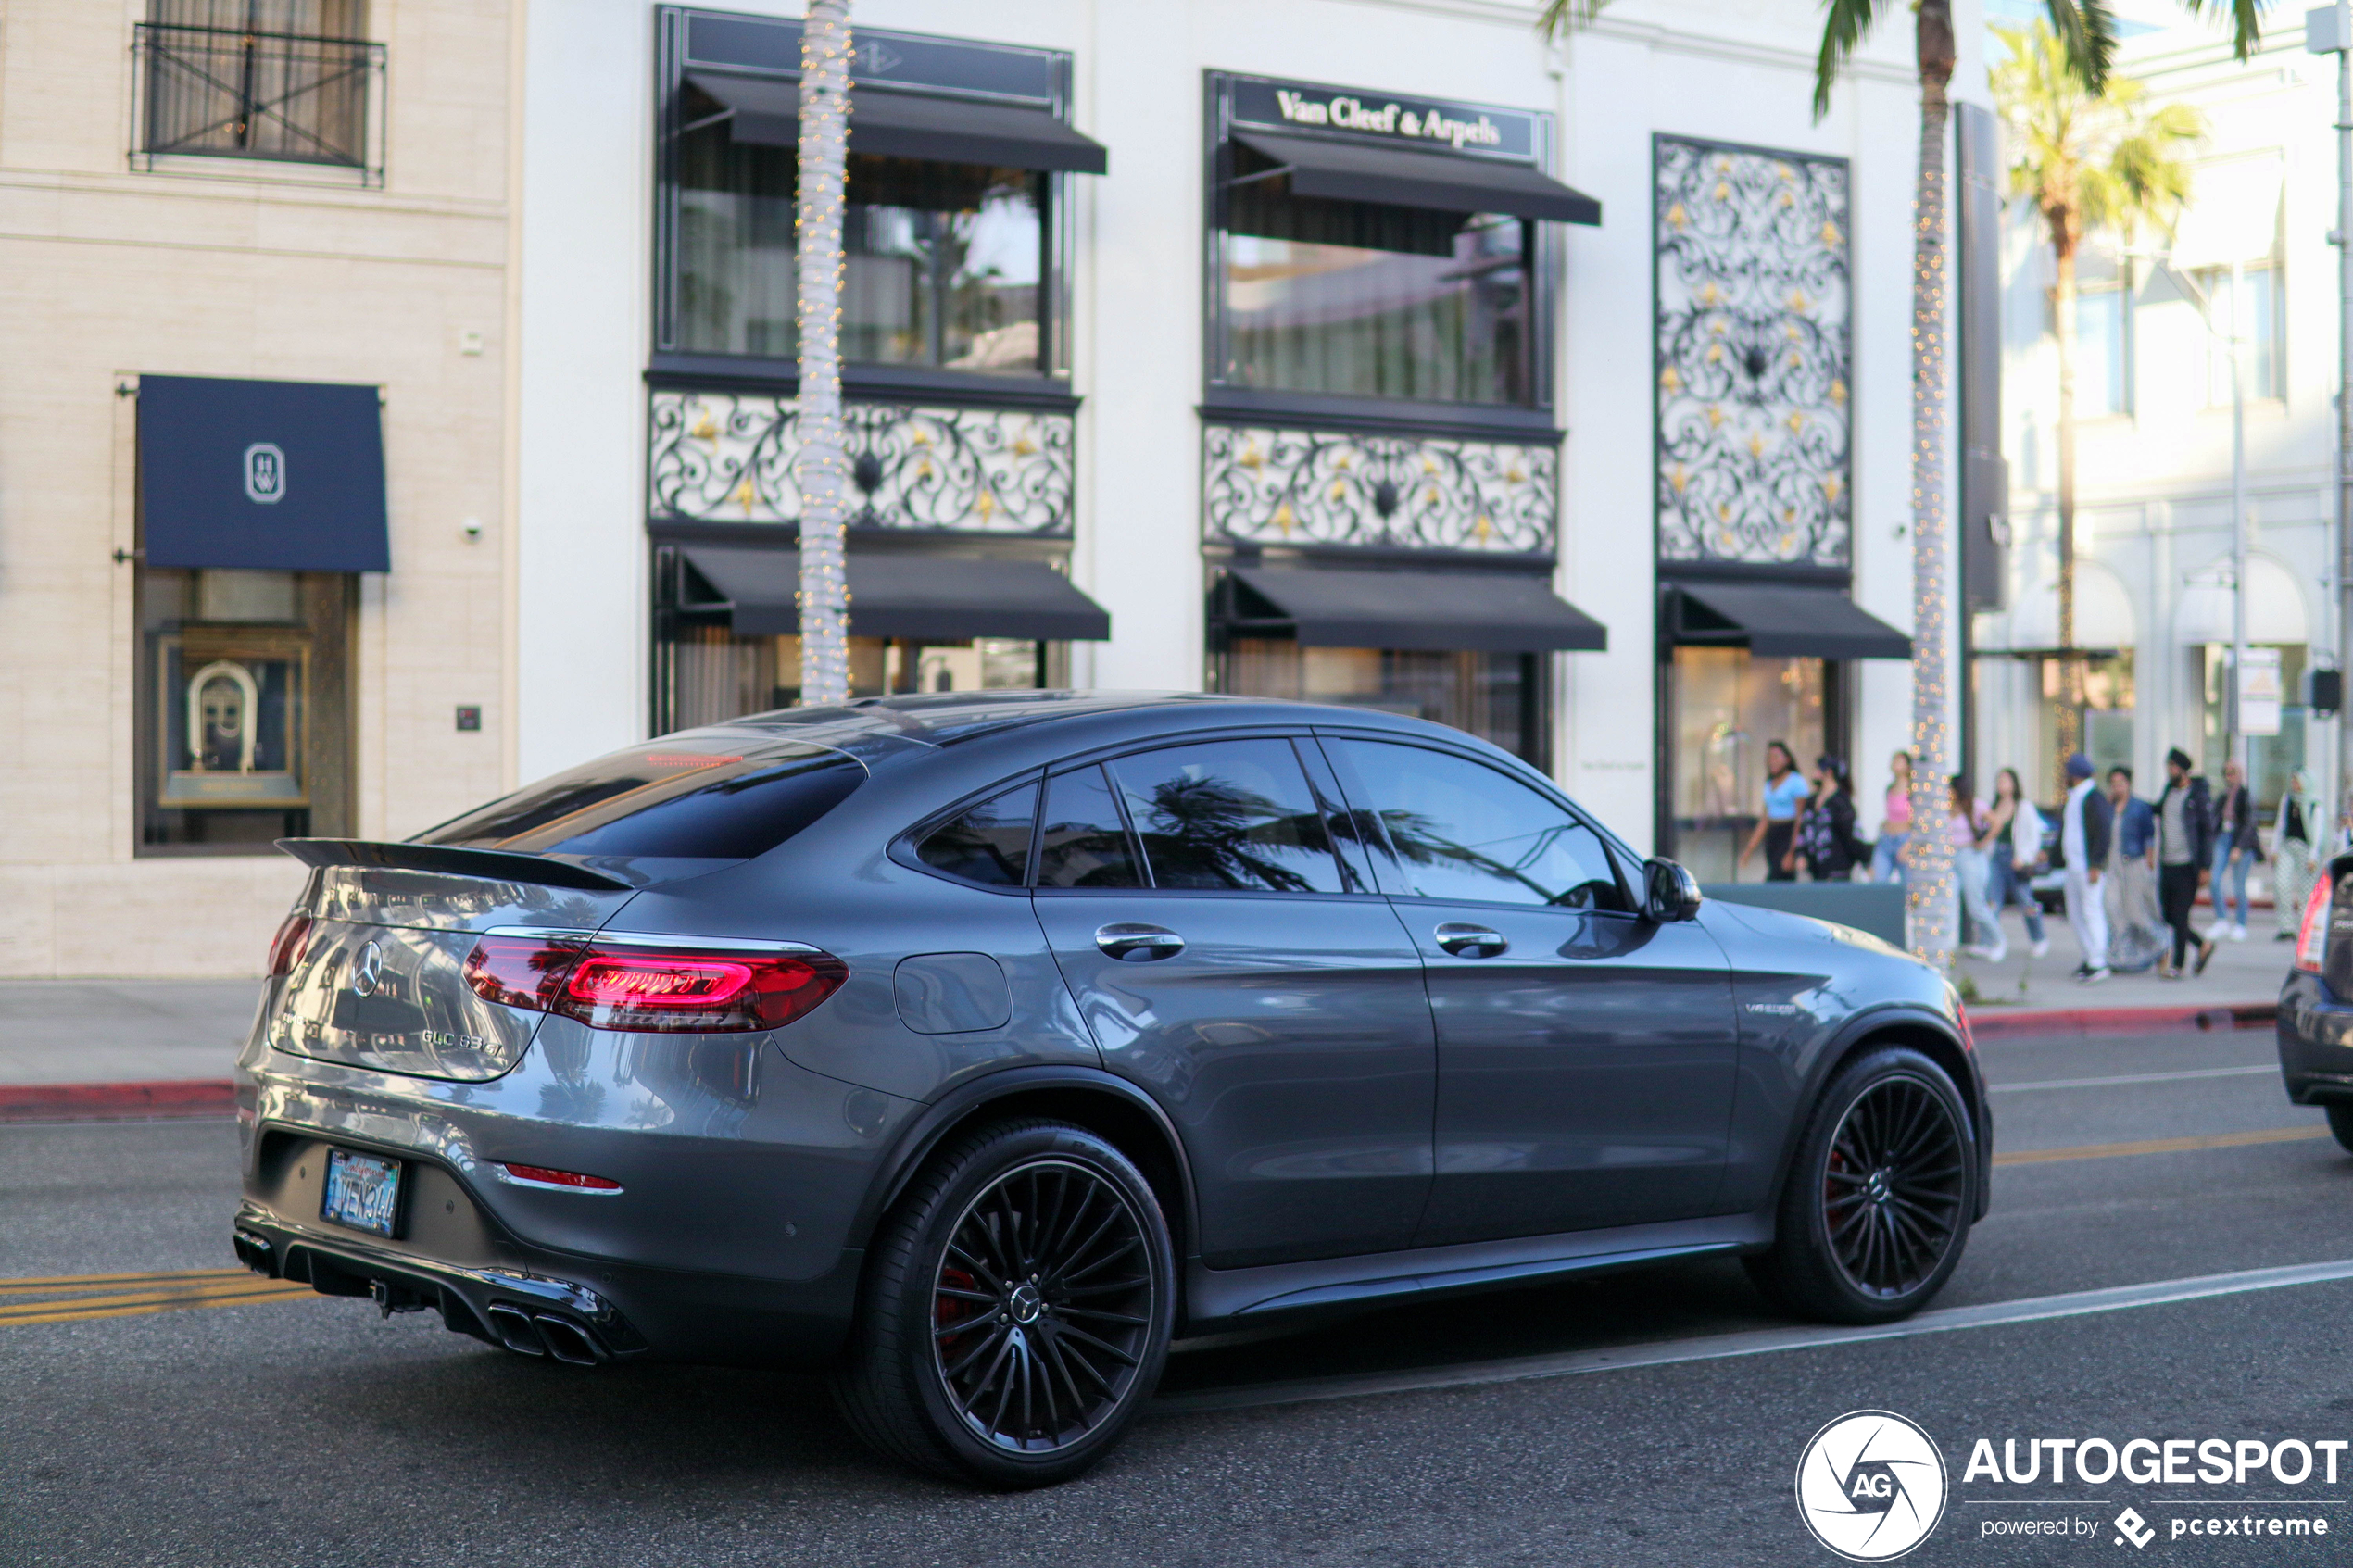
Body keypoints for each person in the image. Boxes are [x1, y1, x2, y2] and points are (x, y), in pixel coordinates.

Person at [2152, 747, 2216, 978]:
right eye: (2168, 767)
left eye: (2173, 767)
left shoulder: (2198, 796)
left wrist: (2206, 867)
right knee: (2168, 915)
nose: (2169, 771)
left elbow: (2208, 832)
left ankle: (2177, 965)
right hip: (2167, 862)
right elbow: (2158, 809)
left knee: (2180, 916)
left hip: (2187, 865)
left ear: (2183, 769)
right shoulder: (2169, 790)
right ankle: (2202, 944)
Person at [1979, 766, 2047, 962]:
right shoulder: (1994, 806)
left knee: (2026, 900)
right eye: (1999, 781)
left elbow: (2032, 836)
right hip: (1996, 857)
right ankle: (1992, 942)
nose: (2002, 784)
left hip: (2015, 857)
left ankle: (2039, 938)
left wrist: (2024, 857)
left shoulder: (2023, 806)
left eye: (2006, 780)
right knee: (1993, 901)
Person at [2101, 765, 2166, 973]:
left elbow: (2150, 837)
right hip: (2112, 865)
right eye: (2114, 784)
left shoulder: (2139, 807)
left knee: (2135, 912)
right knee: (2112, 908)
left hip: (2134, 863)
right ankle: (2121, 956)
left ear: (2128, 784)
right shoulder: (2108, 807)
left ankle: (2162, 944)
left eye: (2121, 783)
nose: (2117, 788)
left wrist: (2149, 863)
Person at [2057, 752, 2113, 983]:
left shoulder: (2093, 797)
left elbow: (2102, 831)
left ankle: (2099, 961)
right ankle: (2089, 956)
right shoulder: (2076, 797)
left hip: (2088, 867)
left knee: (2091, 912)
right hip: (2074, 866)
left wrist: (2097, 864)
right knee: (2076, 913)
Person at [1739, 740, 1806, 883]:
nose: (1772, 761)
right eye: (1769, 758)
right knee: (1774, 872)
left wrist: (1792, 851)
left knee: (1780, 876)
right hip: (1773, 835)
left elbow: (1801, 818)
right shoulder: (1769, 784)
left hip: (1787, 833)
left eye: (1776, 757)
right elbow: (1765, 819)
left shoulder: (1796, 782)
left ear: (1787, 759)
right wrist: (1749, 849)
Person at [1794, 755, 1870, 881]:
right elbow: (1804, 829)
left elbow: (1852, 835)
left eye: (1818, 770)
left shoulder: (1841, 802)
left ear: (1828, 773)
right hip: (1815, 870)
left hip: (1837, 870)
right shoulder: (1811, 801)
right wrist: (1801, 854)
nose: (1814, 774)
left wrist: (1865, 861)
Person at [2208, 759, 2260, 941]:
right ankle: (2221, 919)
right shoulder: (2222, 796)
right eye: (2227, 772)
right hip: (2223, 837)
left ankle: (2241, 923)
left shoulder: (2245, 795)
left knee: (2239, 885)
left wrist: (2239, 846)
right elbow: (2213, 818)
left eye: (2233, 772)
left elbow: (2249, 823)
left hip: (2241, 842)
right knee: (2214, 879)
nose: (2229, 776)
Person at [1952, 775, 2002, 958]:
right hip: (1951, 857)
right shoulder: (1946, 808)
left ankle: (1997, 940)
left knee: (1976, 904)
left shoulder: (1975, 806)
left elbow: (1997, 823)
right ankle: (1950, 943)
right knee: (1949, 900)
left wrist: (1983, 842)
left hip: (1970, 856)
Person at [2273, 768, 2324, 941]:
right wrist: (2275, 849)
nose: (2294, 785)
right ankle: (2286, 926)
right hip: (2288, 846)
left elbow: (2317, 835)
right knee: (2281, 884)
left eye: (2297, 782)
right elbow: (2280, 825)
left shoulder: (2314, 805)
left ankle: (2306, 926)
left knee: (2306, 890)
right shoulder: (2287, 800)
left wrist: (2313, 856)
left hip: (2305, 849)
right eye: (2293, 781)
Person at [1870, 750, 1915, 885]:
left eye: (1899, 761)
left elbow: (1917, 822)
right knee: (1878, 880)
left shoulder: (1913, 791)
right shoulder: (1890, 789)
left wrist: (1909, 845)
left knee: (1907, 883)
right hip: (1887, 838)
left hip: (1904, 838)